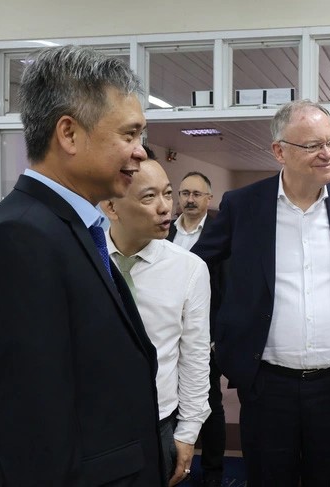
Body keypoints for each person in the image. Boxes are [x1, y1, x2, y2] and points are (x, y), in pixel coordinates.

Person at [191, 99, 330, 487]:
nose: (329, 153)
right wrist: (219, 327)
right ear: (280, 151)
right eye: (313, 145)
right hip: (266, 384)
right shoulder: (244, 206)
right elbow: (197, 266)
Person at [0, 45, 165, 485]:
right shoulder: (19, 238)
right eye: (129, 134)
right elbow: (29, 433)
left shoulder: (73, 227)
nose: (141, 153)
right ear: (69, 134)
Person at [102, 153, 211, 486]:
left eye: (167, 193)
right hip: (92, 424)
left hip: (157, 424)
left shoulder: (189, 269)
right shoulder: (83, 259)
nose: (166, 207)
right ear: (111, 207)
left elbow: (194, 357)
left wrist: (187, 432)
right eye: (149, 197)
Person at [167, 171, 226, 487]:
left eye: (196, 194)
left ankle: (214, 471)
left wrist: (217, 337)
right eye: (184, 192)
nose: (189, 199)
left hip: (207, 337)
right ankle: (172, 463)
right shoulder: (163, 233)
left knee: (209, 405)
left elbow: (227, 289)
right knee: (170, 402)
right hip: (169, 335)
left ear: (209, 198)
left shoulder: (220, 234)